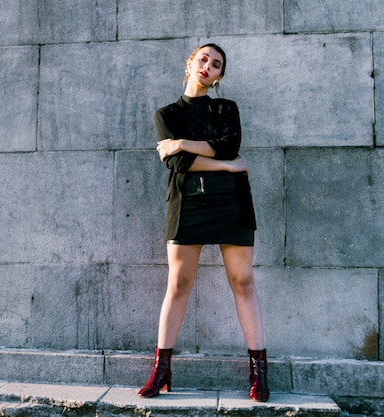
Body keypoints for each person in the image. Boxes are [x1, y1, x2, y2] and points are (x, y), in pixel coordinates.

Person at [137, 43, 269, 402]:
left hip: (232, 202)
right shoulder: (166, 114)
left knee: (243, 281)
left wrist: (180, 144)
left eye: (216, 64)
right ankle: (160, 371)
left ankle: (259, 374)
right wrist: (225, 165)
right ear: (190, 63)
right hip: (187, 202)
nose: (208, 66)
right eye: (203, 59)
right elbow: (179, 165)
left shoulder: (227, 108)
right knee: (178, 283)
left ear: (219, 76)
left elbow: (230, 143)